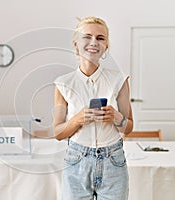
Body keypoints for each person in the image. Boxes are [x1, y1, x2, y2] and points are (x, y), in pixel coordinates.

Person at [53, 16, 133, 200]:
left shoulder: (119, 80)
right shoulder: (63, 84)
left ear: (106, 46)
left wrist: (116, 117)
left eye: (100, 38)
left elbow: (128, 127)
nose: (93, 42)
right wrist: (77, 119)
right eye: (86, 37)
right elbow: (58, 132)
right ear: (76, 43)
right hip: (76, 161)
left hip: (113, 161)